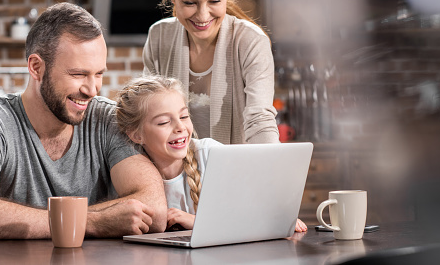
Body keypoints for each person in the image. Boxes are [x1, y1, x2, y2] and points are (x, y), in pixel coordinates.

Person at [0, 2, 167, 239]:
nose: (92, 89)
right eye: (78, 74)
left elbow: (154, 209)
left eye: (99, 74)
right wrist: (92, 221)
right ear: (36, 67)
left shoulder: (108, 119)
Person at [115, 75, 307, 232]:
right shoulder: (129, 171)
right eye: (164, 122)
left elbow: (253, 209)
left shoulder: (209, 154)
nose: (180, 127)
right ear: (137, 135)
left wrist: (195, 222)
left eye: (184, 116)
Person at [143, 0, 279, 144]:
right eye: (190, 3)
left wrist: (271, 165)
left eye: (215, 1)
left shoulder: (250, 41)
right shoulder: (159, 36)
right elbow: (149, 113)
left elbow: (259, 120)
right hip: (175, 173)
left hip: (235, 170)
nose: (203, 15)